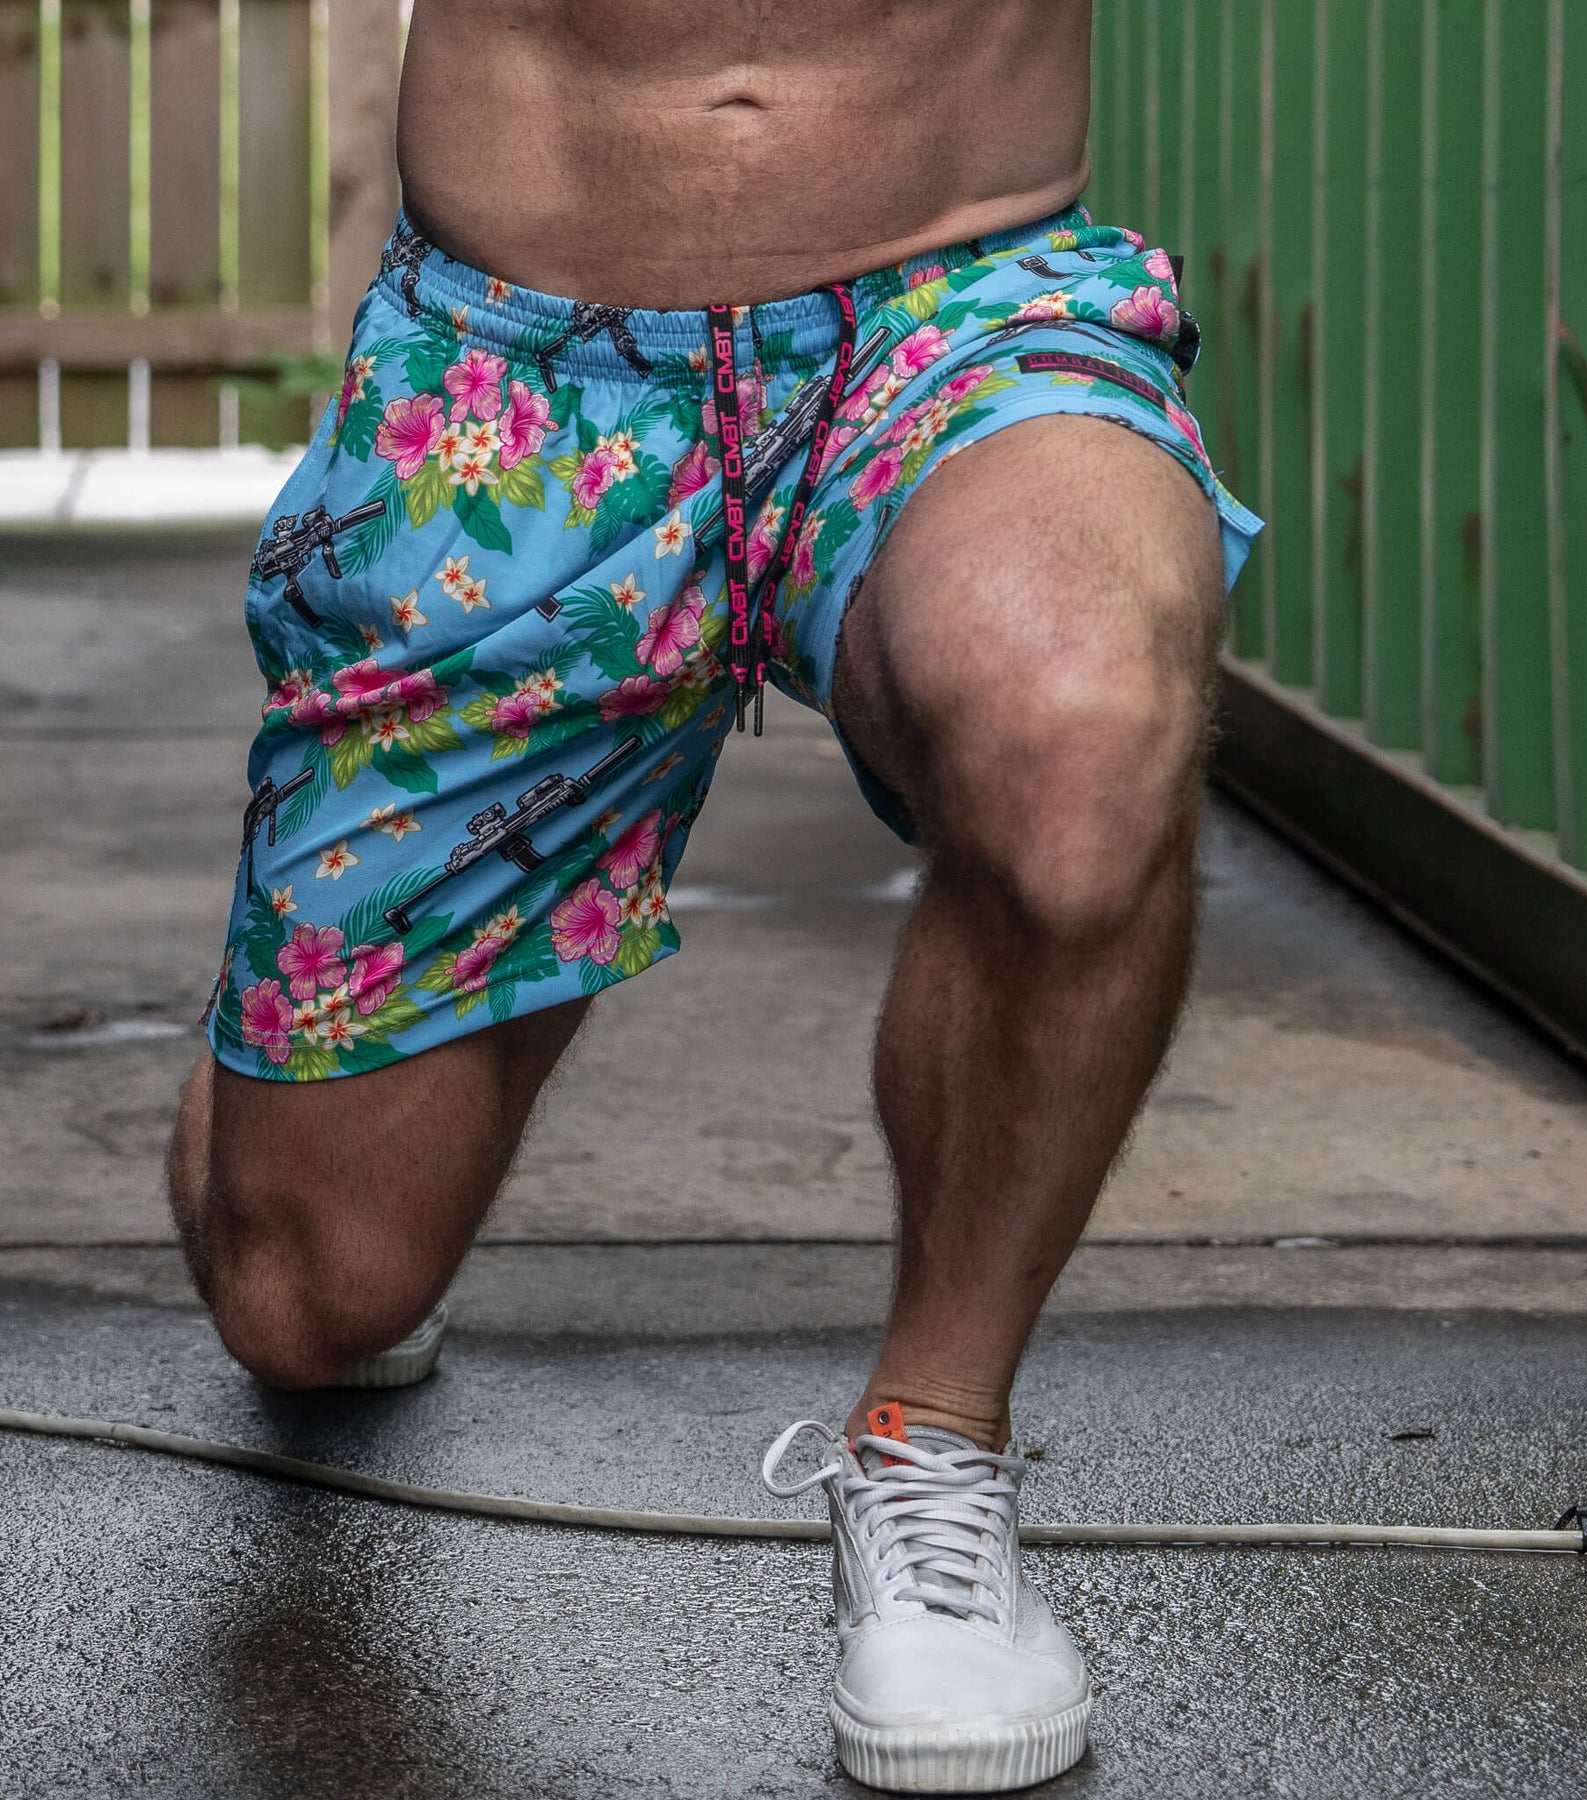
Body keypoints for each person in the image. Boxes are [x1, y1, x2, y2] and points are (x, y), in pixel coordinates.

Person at [166, 2, 1260, 1789]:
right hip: (518, 370)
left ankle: (932, 1447)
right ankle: (285, 1030)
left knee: (1077, 728)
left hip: (960, 314)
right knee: (310, 1309)